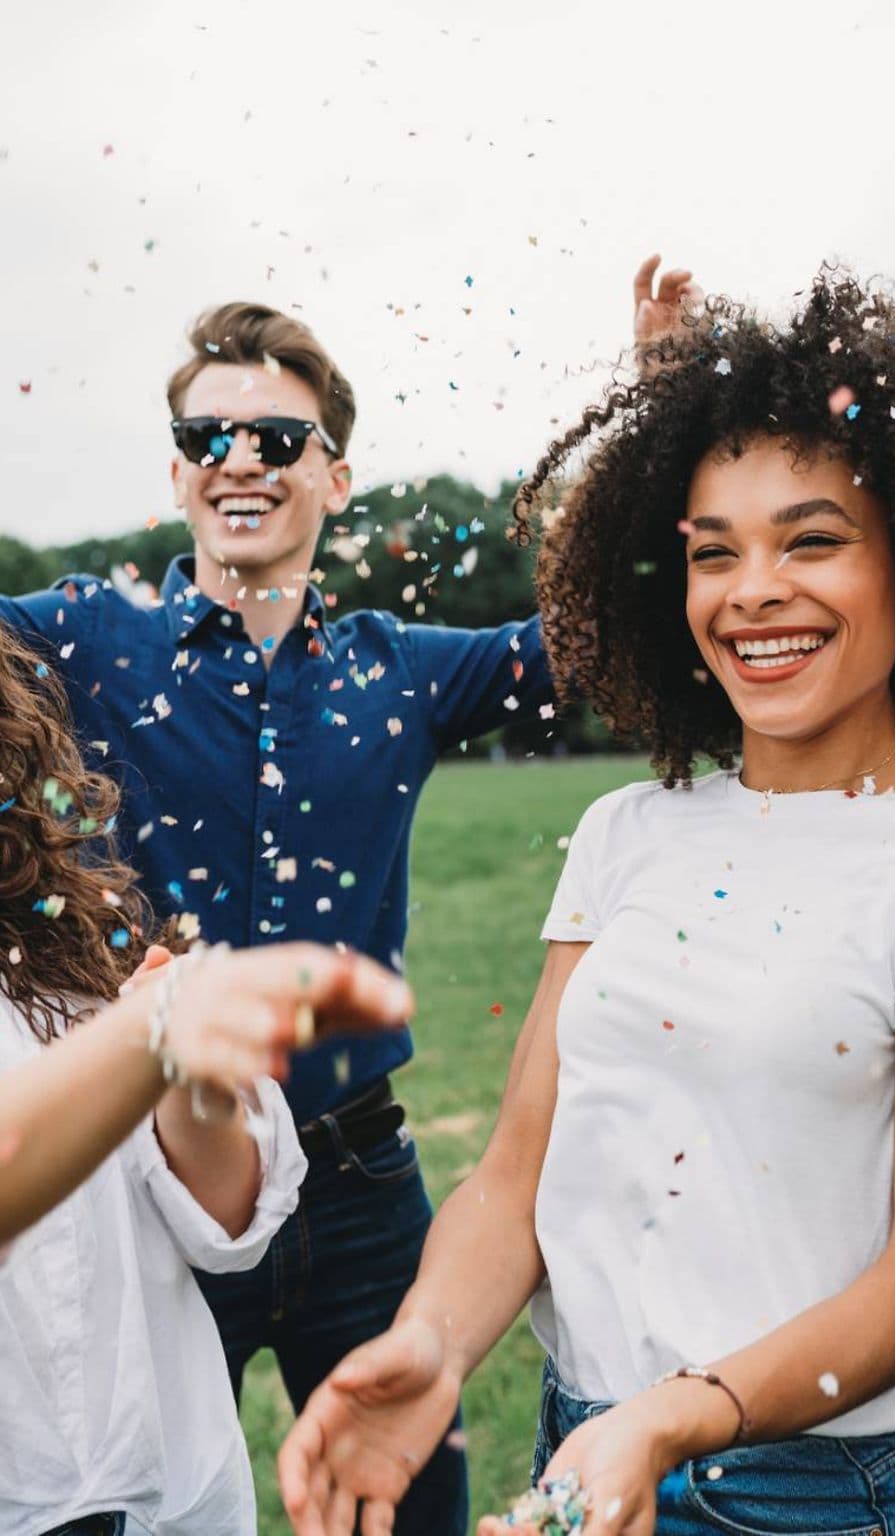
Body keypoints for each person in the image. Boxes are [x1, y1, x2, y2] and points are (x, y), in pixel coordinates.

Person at [274, 267, 895, 1536]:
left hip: (806, 1496)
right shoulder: (629, 832)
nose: (753, 592)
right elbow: (516, 1181)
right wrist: (430, 1345)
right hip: (587, 1450)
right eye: (713, 553)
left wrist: (676, 1416)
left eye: (812, 541)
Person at [0, 256, 695, 1532]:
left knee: (402, 1507)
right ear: (176, 475)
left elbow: (595, 633)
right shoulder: (89, 640)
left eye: (278, 435)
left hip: (360, 1181)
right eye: (206, 435)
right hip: (158, 1171)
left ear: (336, 475)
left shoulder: (404, 672)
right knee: (156, 1511)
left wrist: (652, 410)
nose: (241, 458)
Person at [0, 617, 412, 1535]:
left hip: (172, 1496)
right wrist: (145, 1039)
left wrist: (194, 1088)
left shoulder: (70, 942)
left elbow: (228, 1231)